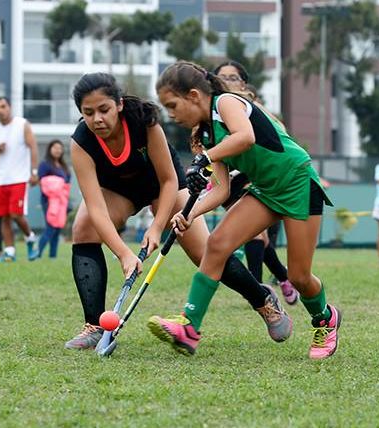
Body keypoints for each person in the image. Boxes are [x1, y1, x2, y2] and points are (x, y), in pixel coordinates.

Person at [65, 72, 291, 350]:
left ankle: (264, 301)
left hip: (164, 188)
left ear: (119, 105)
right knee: (84, 225)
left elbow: (169, 180)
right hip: (118, 192)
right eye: (88, 113)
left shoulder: (143, 122)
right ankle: (95, 325)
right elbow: (97, 208)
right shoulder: (81, 142)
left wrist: (157, 227)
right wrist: (124, 253)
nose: (97, 119)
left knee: (205, 252)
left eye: (104, 109)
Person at [149, 61, 340, 360]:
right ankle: (189, 327)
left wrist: (204, 159)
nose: (171, 114)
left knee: (300, 277)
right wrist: (191, 214)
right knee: (217, 244)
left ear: (195, 95)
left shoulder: (226, 103)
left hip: (297, 182)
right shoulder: (207, 135)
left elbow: (245, 136)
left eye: (173, 105)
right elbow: (222, 189)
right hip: (265, 190)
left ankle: (325, 320)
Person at [214, 60, 298, 304]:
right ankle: (281, 279)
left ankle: (261, 288)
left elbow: (280, 129)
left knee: (258, 236)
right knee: (256, 237)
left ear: (243, 83)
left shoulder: (249, 105)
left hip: (252, 175)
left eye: (232, 77)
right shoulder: (212, 112)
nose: (227, 81)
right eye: (222, 77)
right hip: (226, 180)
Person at [0, 96, 39, 262]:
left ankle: (30, 237)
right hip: (1, 179)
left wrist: (34, 172)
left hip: (20, 178)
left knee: (16, 214)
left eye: (3, 106)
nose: (1, 110)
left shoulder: (22, 124)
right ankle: (9, 251)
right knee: (4, 217)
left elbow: (33, 147)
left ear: (9, 107)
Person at [36, 139, 72, 259]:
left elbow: (67, 183)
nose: (58, 150)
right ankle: (37, 253)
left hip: (62, 201)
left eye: (60, 148)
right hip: (49, 201)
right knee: (50, 227)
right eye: (55, 148)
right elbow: (41, 182)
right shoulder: (45, 164)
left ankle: (53, 256)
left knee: (57, 229)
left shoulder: (64, 166)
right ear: (50, 149)